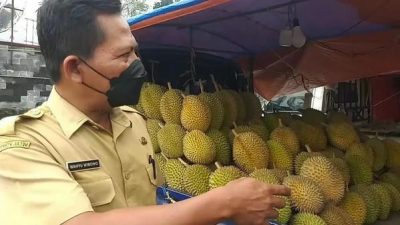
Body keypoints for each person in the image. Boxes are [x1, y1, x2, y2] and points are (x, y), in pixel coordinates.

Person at [0, 0, 291, 225]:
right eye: (123, 55)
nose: (138, 64)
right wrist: (224, 203)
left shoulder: (135, 122)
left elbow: (152, 208)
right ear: (75, 69)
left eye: (135, 52)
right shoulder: (22, 145)